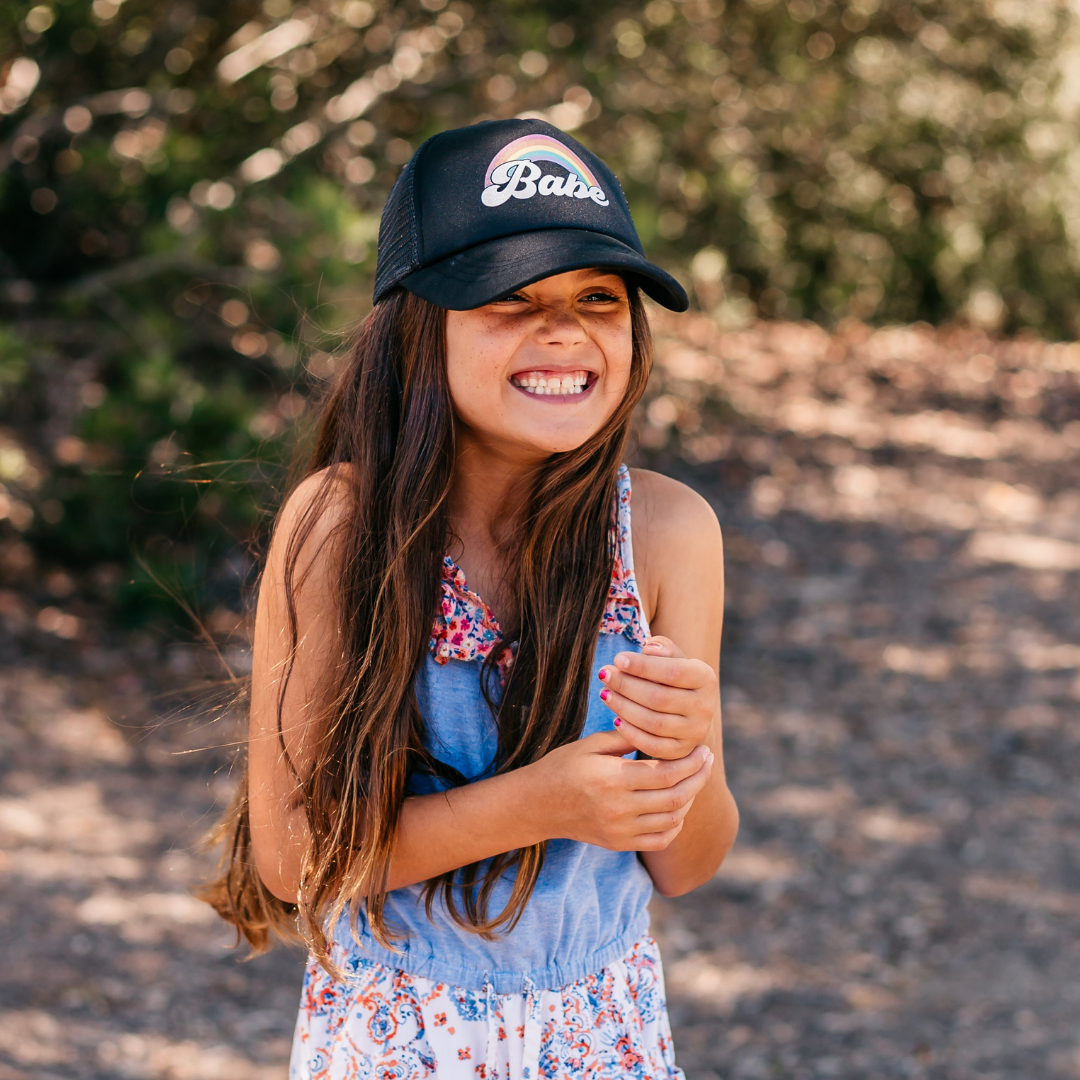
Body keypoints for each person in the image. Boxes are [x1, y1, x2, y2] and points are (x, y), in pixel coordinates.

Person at [206, 118, 739, 1080]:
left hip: (603, 1034)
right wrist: (542, 803)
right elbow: (295, 862)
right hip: (397, 1038)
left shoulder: (665, 533)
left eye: (598, 298)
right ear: (417, 324)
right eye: (509, 298)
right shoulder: (340, 528)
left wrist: (689, 754)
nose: (566, 331)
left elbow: (688, 863)